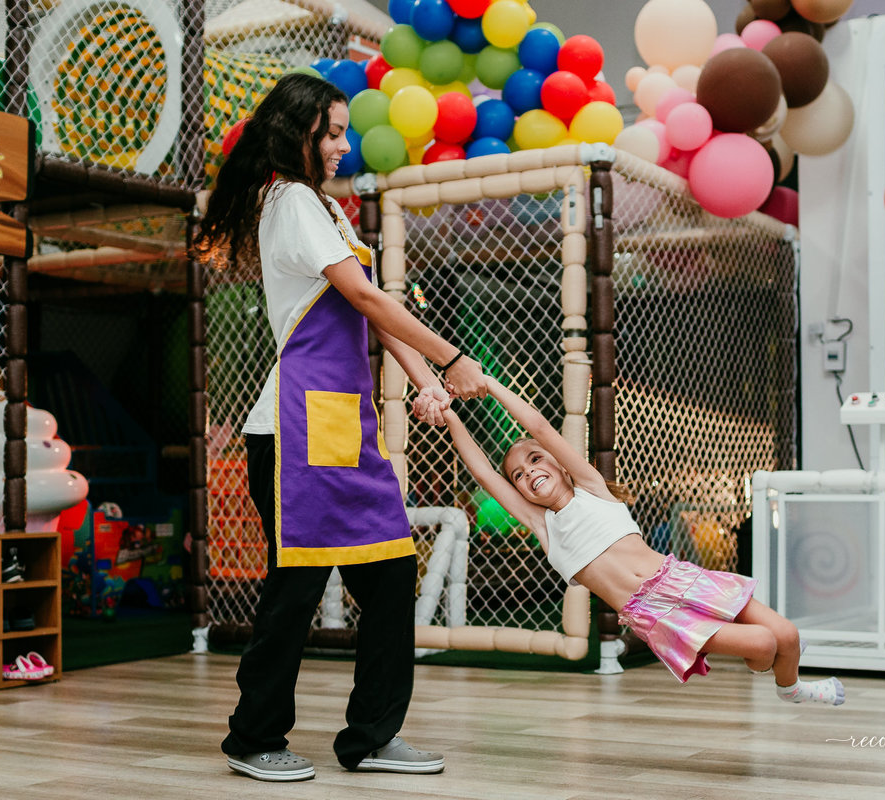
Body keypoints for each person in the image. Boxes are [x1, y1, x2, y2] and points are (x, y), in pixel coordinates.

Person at [195, 72, 487, 782]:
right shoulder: (290, 201)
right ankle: (253, 737)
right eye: (330, 132)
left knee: (390, 580)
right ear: (297, 134)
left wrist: (426, 383)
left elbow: (369, 311)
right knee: (295, 588)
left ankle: (371, 737)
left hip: (341, 426)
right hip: (295, 428)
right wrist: (451, 357)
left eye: (342, 131)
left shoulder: (327, 210)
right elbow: (362, 295)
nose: (342, 144)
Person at [430, 376, 844, 704]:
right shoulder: (545, 528)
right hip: (654, 609)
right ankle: (768, 664)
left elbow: (536, 424)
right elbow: (483, 472)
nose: (528, 473)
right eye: (518, 475)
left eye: (534, 459)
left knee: (786, 636)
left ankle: (791, 689)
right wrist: (449, 415)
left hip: (681, 576)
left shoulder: (592, 487)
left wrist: (486, 382)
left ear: (558, 461)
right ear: (518, 492)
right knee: (765, 643)